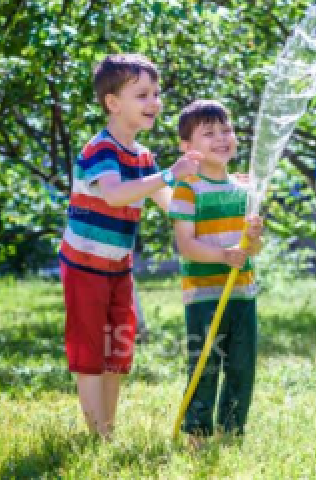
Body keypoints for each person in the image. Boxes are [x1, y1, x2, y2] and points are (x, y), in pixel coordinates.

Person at [58, 53, 199, 438]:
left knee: (115, 351)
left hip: (117, 268)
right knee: (89, 352)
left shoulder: (142, 157)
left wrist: (212, 188)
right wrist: (171, 173)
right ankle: (98, 437)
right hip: (84, 266)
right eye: (142, 94)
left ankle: (108, 428)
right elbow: (117, 195)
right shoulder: (101, 149)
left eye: (156, 93)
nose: (154, 102)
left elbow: (172, 203)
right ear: (113, 103)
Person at [168, 99, 264, 446]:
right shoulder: (188, 188)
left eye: (226, 130)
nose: (222, 138)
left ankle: (232, 431)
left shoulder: (243, 190)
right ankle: (196, 434)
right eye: (209, 133)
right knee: (205, 366)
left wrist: (253, 240)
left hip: (242, 292)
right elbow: (186, 245)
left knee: (241, 367)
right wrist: (224, 255)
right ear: (187, 147)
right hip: (203, 294)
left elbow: (250, 250)